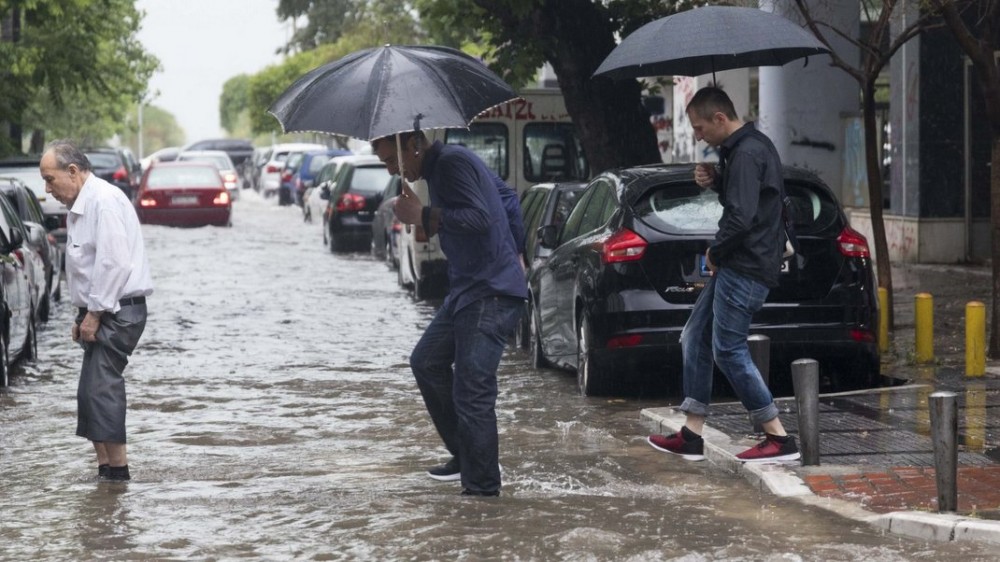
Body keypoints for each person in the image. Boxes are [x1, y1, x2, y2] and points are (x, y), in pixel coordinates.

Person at [647, 87, 800, 463]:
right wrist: (717, 179)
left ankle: (777, 438)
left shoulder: (747, 152)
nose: (698, 136)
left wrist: (715, 251)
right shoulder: (744, 150)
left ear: (719, 118)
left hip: (744, 265)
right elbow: (753, 199)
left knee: (728, 350)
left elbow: (742, 217)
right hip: (741, 263)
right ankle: (692, 433)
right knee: (695, 335)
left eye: (700, 128)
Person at [373, 131, 527, 496]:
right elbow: (505, 198)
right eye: (385, 164)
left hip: (488, 293)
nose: (393, 169)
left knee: (472, 390)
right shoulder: (444, 167)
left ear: (411, 144)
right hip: (467, 290)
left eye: (391, 160)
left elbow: (481, 217)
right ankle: (468, 456)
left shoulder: (452, 163)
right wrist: (514, 253)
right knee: (426, 361)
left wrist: (424, 214)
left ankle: (482, 495)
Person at [40, 140, 154, 481]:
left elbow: (114, 263)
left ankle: (118, 476)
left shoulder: (102, 202)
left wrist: (93, 314)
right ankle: (106, 472)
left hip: (118, 311)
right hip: (101, 309)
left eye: (50, 179)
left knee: (102, 389)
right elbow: (87, 266)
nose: (47, 190)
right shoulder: (83, 203)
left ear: (72, 171)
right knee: (89, 393)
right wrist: (83, 313)